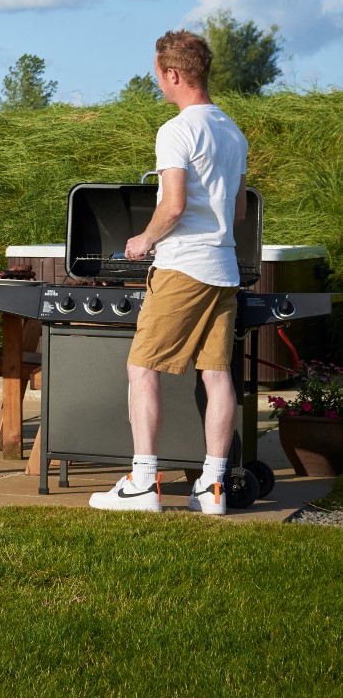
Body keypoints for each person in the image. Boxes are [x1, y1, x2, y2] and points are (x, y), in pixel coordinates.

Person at [89, 30, 248, 516]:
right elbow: (239, 210)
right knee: (217, 375)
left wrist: (143, 240)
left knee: (142, 368)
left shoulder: (176, 130)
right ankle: (213, 487)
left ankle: (142, 483)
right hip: (222, 267)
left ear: (174, 74)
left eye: (159, 75)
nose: (158, 83)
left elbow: (173, 205)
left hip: (182, 266)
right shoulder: (232, 130)